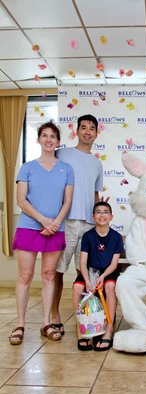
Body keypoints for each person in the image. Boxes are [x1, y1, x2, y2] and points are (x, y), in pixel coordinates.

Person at [9, 122, 74, 345]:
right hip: (29, 226)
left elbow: (67, 202)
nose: (48, 140)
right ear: (38, 140)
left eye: (53, 136)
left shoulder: (66, 169)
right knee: (25, 276)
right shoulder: (27, 167)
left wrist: (55, 223)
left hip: (56, 228)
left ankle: (46, 323)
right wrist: (43, 220)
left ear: (58, 142)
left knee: (49, 275)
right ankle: (20, 324)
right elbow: (20, 200)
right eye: (44, 135)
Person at [51, 114, 103, 335]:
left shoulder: (97, 163)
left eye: (92, 128)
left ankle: (87, 317)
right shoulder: (62, 153)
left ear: (96, 133)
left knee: (85, 274)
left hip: (89, 225)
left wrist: (100, 221)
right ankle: (54, 316)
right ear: (77, 131)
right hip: (66, 222)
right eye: (84, 127)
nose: (88, 131)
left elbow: (95, 194)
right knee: (57, 271)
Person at [72, 201, 124, 351]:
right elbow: (82, 263)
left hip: (108, 272)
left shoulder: (116, 237)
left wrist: (102, 277)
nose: (102, 215)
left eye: (106, 212)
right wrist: (88, 281)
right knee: (77, 288)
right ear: (93, 216)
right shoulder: (88, 236)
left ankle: (108, 331)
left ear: (111, 216)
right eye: (98, 212)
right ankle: (81, 331)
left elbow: (114, 264)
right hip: (90, 272)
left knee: (110, 286)